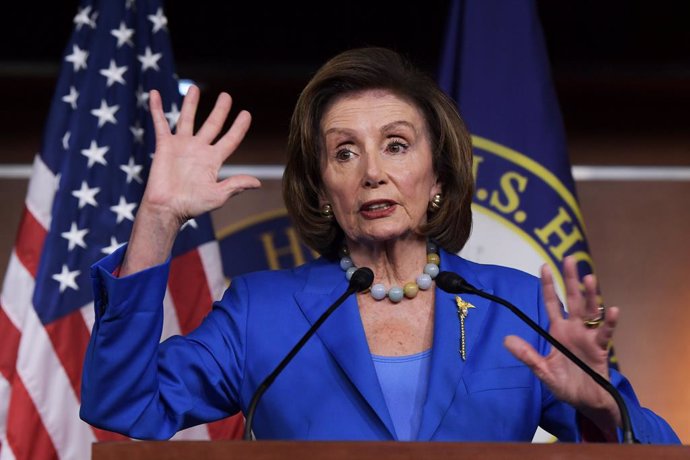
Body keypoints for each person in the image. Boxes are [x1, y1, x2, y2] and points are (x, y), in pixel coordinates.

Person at [80, 47, 679, 443]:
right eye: (344, 152)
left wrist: (602, 403)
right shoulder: (258, 313)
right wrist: (157, 218)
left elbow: (659, 451)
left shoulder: (516, 306)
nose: (372, 172)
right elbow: (123, 405)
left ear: (439, 177)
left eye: (396, 145)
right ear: (320, 190)